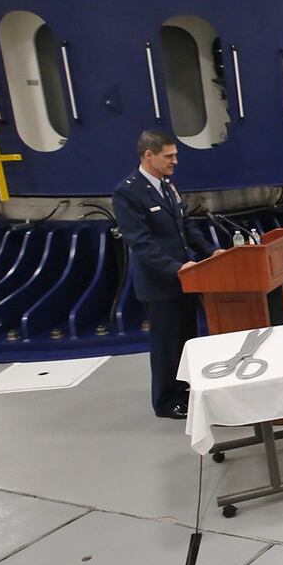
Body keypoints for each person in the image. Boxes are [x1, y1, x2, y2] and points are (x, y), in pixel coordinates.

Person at [113, 130, 220, 420]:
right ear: (149, 155)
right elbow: (141, 242)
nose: (175, 161)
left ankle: (186, 390)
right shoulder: (128, 192)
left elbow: (187, 227)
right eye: (168, 156)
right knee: (166, 344)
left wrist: (211, 253)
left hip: (188, 278)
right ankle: (165, 401)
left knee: (187, 339)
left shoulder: (168, 186)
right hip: (160, 285)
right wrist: (174, 268)